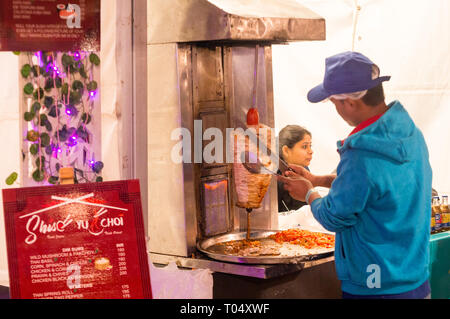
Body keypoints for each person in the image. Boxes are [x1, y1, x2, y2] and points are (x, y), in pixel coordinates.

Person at [278, 51, 432, 299]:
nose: (337, 110)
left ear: (349, 102)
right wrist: (318, 180)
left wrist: (308, 192)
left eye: (334, 103)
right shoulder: (409, 133)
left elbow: (333, 217)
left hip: (374, 284)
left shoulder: (361, 154)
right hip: (414, 276)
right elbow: (377, 188)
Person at [277, 125, 313, 212]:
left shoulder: (303, 169)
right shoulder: (278, 178)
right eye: (304, 146)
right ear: (286, 150)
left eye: (310, 146)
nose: (311, 151)